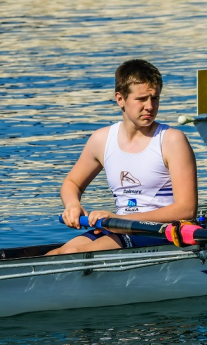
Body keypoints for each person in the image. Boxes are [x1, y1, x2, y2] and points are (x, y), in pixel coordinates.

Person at [50, 59, 198, 255]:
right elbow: (71, 183)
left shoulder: (171, 140)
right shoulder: (101, 140)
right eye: (142, 99)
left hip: (161, 232)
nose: (150, 106)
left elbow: (186, 210)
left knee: (72, 254)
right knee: (56, 254)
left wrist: (124, 221)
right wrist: (72, 205)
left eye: (155, 98)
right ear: (120, 99)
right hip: (120, 227)